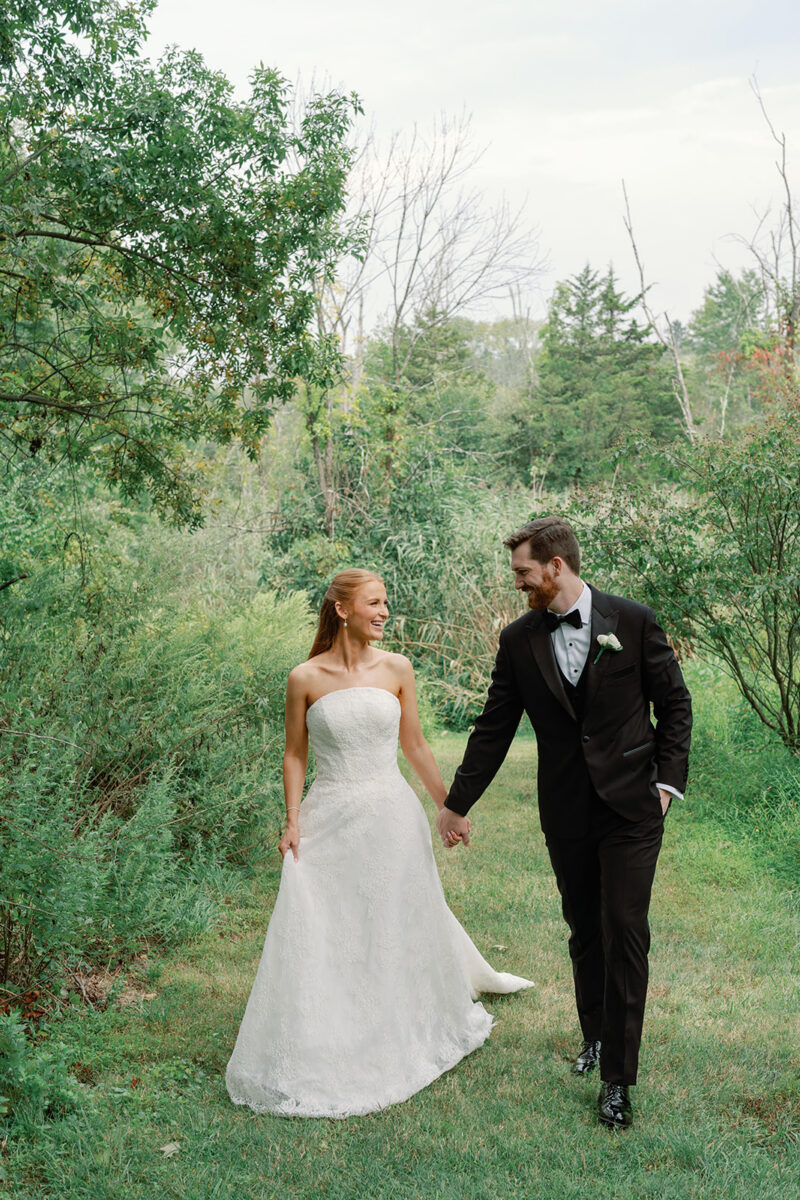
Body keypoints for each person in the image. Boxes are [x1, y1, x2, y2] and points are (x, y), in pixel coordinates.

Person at [226, 568, 533, 1119]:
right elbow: (294, 754)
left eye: (386, 602)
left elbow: (412, 743)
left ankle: (399, 1018)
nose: (385, 611)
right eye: (374, 602)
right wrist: (292, 820)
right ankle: (332, 1021)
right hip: (329, 815)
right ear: (342, 609)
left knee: (391, 919)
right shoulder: (305, 677)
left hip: (391, 814)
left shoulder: (398, 668)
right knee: (332, 921)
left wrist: (448, 805)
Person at [436, 518, 692, 1129]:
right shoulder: (518, 639)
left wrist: (666, 783)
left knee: (624, 928)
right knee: (584, 926)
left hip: (633, 805)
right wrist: (457, 801)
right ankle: (597, 1037)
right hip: (567, 809)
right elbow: (495, 725)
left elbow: (674, 702)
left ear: (556, 566)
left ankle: (618, 1083)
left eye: (524, 572)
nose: (518, 584)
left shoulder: (631, 620)